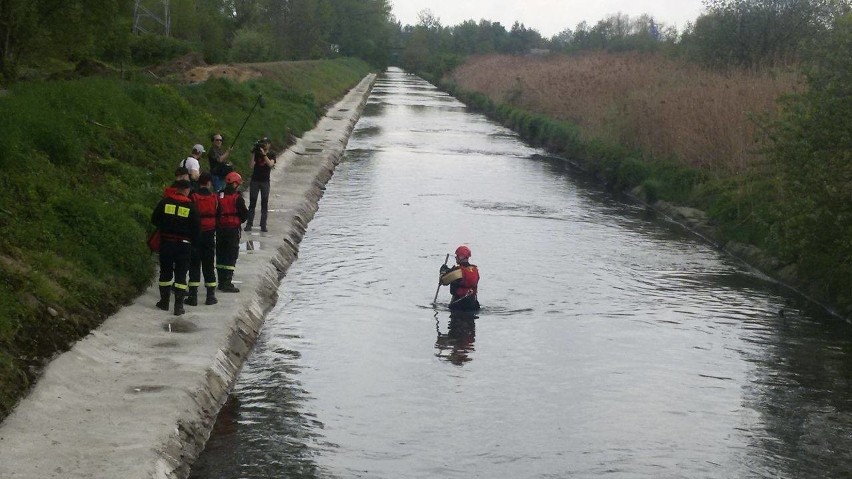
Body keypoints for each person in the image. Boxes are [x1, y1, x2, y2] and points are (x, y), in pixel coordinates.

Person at [151, 179, 200, 316]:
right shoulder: (191, 206)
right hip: (184, 245)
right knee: (181, 274)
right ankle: (178, 306)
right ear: (186, 190)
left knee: (165, 273)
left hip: (166, 243)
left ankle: (164, 302)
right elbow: (196, 228)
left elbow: (154, 219)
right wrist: (194, 246)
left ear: (176, 188)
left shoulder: (165, 202)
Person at [186, 172, 218, 306]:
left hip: (195, 235)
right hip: (210, 234)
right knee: (209, 264)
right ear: (209, 183)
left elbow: (189, 214)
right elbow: (218, 214)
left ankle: (193, 296)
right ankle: (210, 296)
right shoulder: (214, 198)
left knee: (194, 264)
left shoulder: (193, 197)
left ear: (199, 183)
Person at [217, 171, 248, 293]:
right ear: (235, 184)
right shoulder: (238, 198)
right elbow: (244, 215)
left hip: (219, 229)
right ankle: (227, 282)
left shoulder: (218, 196)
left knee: (220, 254)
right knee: (231, 255)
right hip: (232, 230)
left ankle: (220, 281)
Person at [244, 138, 275, 232]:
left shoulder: (271, 154)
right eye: (263, 143)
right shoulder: (257, 153)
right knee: (252, 203)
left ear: (269, 145)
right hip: (255, 181)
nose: (264, 145)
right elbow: (251, 166)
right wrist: (254, 153)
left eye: (266, 143)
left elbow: (270, 164)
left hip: (265, 181)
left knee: (264, 204)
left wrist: (264, 154)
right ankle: (249, 224)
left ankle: (263, 225)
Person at [439, 245, 481, 311]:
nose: (456, 257)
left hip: (458, 305)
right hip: (473, 304)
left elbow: (442, 281)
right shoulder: (475, 270)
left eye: (457, 256)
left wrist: (443, 272)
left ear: (461, 257)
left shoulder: (458, 271)